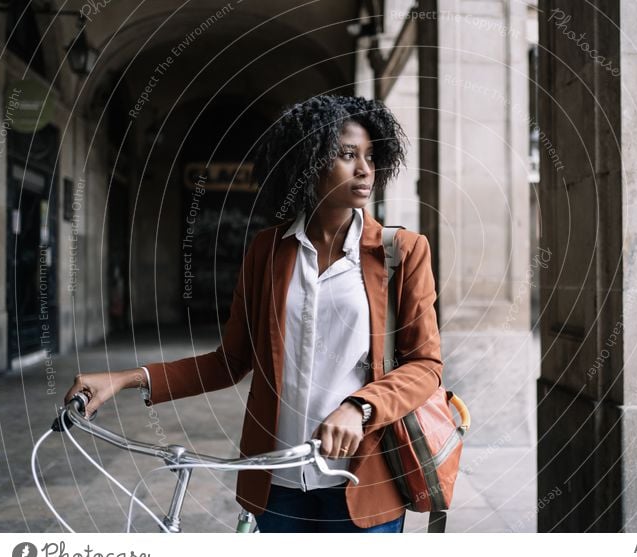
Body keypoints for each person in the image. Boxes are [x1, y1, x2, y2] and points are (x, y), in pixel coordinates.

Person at [64, 94, 443, 533]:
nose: (364, 169)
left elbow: (426, 364)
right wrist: (123, 379)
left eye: (372, 156)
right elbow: (231, 362)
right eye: (346, 155)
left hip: (362, 482)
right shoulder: (267, 251)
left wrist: (360, 407)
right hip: (276, 482)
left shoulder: (402, 251)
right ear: (309, 161)